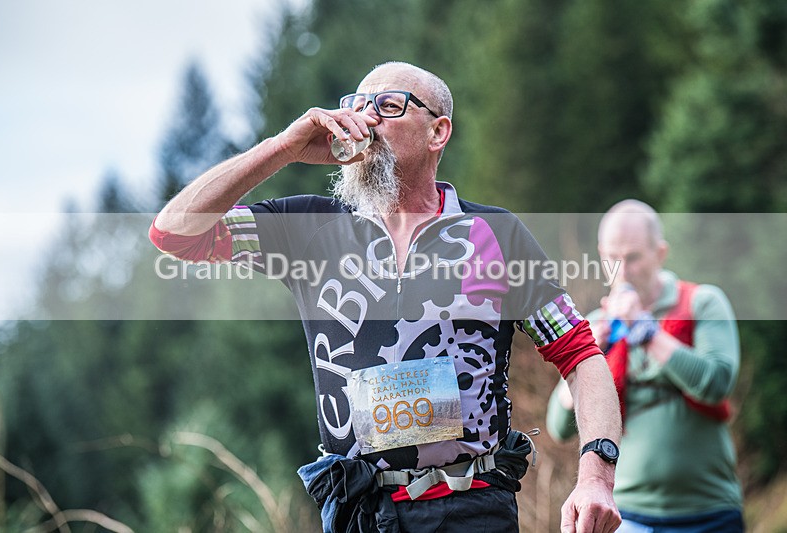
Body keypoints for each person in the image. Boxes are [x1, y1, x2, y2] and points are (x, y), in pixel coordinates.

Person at [150, 61, 621, 533]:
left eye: (388, 105)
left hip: (472, 509)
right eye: (355, 106)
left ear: (438, 132)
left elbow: (581, 355)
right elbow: (174, 235)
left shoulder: (494, 233)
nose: (366, 118)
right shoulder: (310, 229)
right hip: (359, 511)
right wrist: (284, 148)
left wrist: (596, 477)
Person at [546, 200, 744, 532]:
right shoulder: (596, 325)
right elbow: (559, 425)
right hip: (628, 515)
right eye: (612, 258)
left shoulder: (702, 303)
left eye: (634, 258)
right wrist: (583, 359)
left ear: (660, 252)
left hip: (709, 510)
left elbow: (716, 383)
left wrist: (647, 331)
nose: (622, 271)